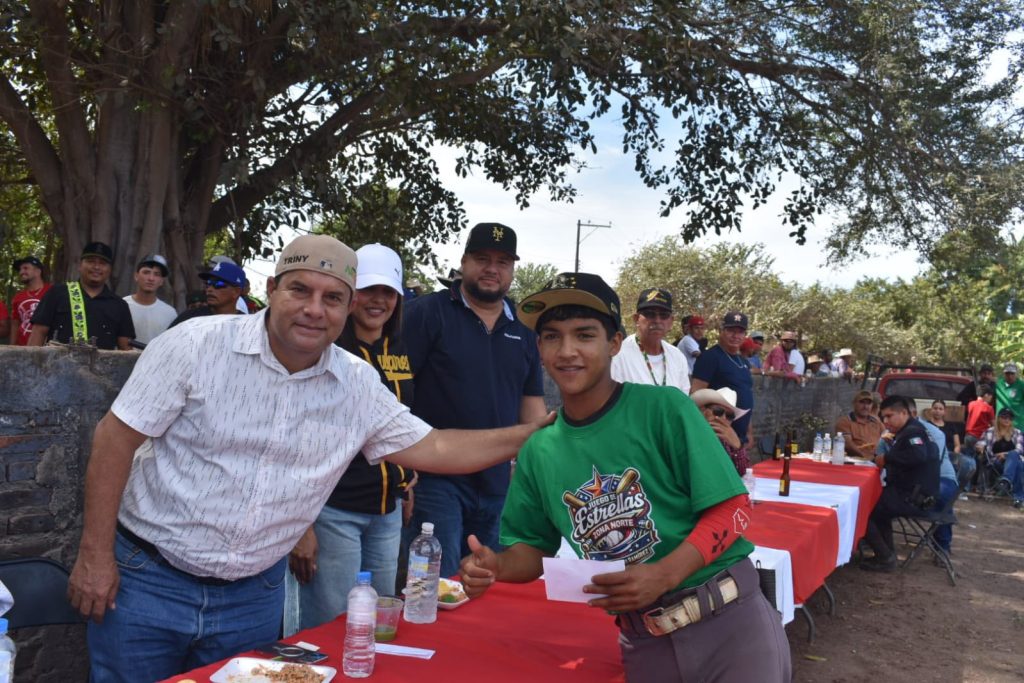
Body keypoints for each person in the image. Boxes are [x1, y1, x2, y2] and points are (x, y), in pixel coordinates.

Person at [67, 234, 553, 682]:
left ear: (349, 306)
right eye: (300, 290)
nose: (314, 310)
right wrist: (94, 556)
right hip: (149, 580)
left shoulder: (357, 384)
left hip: (252, 598)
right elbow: (115, 439)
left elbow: (438, 447)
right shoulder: (195, 345)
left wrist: (536, 434)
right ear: (273, 288)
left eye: (333, 297)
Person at [459, 273, 791, 683]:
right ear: (539, 347)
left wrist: (663, 575)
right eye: (551, 337)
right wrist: (498, 565)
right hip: (644, 642)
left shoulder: (665, 409)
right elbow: (533, 549)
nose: (567, 351)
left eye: (584, 335)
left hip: (728, 622)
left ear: (615, 343)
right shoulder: (538, 450)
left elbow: (734, 508)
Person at [402, 222, 547, 577]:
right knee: (438, 587)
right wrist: (403, 473)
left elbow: (532, 411)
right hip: (436, 480)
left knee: (490, 586)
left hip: (499, 485)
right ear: (464, 261)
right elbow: (396, 396)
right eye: (482, 258)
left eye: (502, 262)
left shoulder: (524, 331)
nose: (492, 269)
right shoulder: (425, 313)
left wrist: (536, 476)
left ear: (512, 269)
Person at [285, 244, 416, 632]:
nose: (379, 301)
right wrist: (300, 525)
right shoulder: (327, 347)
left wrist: (406, 481)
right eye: (369, 290)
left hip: (387, 510)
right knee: (332, 622)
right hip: (335, 509)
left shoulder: (400, 349)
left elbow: (403, 422)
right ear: (352, 294)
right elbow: (295, 436)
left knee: (377, 621)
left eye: (388, 292)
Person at [861, 395, 940, 572]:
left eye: (889, 416)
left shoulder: (913, 431)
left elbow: (918, 455)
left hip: (913, 497)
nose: (886, 421)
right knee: (879, 511)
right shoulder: (911, 430)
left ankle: (885, 557)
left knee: (862, 510)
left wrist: (887, 457)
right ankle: (886, 555)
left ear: (904, 413)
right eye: (883, 417)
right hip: (912, 493)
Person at [28, 242, 135, 350]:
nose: (97, 267)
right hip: (58, 365)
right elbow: (39, 332)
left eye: (102, 263)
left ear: (109, 270)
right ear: (80, 265)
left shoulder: (119, 305)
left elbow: (125, 348)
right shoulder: (57, 293)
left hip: (103, 366)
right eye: (91, 261)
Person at [690, 312, 755, 448]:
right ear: (721, 331)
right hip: (718, 435)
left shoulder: (743, 362)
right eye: (731, 330)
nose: (736, 336)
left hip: (739, 438)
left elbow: (746, 397)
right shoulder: (710, 357)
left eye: (740, 332)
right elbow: (696, 396)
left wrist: (749, 432)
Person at [611, 288, 690, 393]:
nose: (657, 320)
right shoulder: (618, 354)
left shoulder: (677, 356)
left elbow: (682, 399)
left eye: (663, 315)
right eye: (650, 314)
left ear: (671, 322)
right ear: (636, 319)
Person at [168, 261, 246, 327]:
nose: (209, 289)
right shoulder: (189, 318)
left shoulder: (246, 324)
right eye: (208, 283)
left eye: (218, 284)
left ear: (236, 292)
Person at [691, 387, 750, 476]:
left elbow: (742, 474)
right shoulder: (691, 434)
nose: (723, 418)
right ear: (703, 411)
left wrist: (738, 447)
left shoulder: (726, 438)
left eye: (730, 416)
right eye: (718, 411)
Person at [975, 408, 1024, 508]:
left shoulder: (1017, 433)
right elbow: (980, 444)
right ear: (999, 418)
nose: (1007, 420)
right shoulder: (990, 432)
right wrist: (980, 447)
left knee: (1015, 458)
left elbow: (1020, 449)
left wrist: (1005, 454)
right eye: (1004, 417)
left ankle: (1006, 480)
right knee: (1018, 464)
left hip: (1012, 463)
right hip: (995, 462)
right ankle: (1018, 497)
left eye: (1010, 418)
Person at [123, 254, 177, 344]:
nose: (151, 278)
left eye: (156, 274)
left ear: (161, 281)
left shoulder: (170, 313)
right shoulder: (122, 305)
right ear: (136, 276)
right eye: (146, 272)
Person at [9, 255, 51, 346]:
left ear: (38, 271)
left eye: (25, 268)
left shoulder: (52, 291)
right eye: (20, 269)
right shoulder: (18, 297)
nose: (21, 272)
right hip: (22, 349)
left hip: (46, 350)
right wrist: (12, 347)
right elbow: (15, 325)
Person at [834, 390, 885, 459]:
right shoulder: (844, 422)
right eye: (862, 402)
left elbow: (886, 438)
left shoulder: (876, 421)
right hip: (857, 461)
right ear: (854, 403)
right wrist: (865, 457)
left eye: (868, 403)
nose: (865, 406)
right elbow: (848, 444)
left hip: (878, 459)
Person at [963, 384, 995, 490]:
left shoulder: (970, 404)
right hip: (980, 438)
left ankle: (965, 487)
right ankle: (982, 487)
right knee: (983, 463)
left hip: (968, 436)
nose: (991, 399)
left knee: (968, 461)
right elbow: (993, 424)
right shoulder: (988, 408)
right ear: (986, 395)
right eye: (991, 396)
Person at [995, 363, 1024, 431]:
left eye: (1012, 373)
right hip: (1001, 423)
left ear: (1016, 373)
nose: (1010, 376)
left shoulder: (1021, 385)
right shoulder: (998, 384)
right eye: (1007, 373)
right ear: (1004, 374)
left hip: (1018, 424)